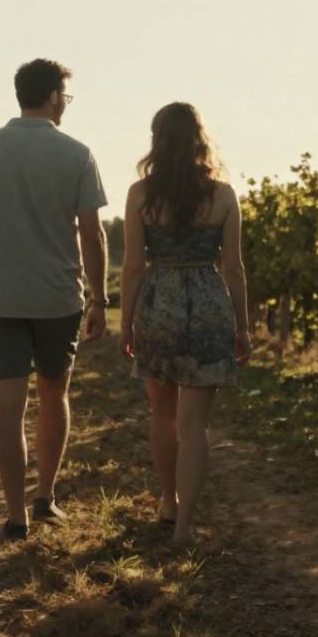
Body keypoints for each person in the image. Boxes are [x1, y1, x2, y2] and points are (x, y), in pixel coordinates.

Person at [0, 58, 109, 542]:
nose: (66, 102)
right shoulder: (78, 154)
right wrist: (101, 298)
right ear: (52, 97)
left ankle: (16, 515)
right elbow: (93, 234)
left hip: (0, 297)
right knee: (53, 396)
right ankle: (46, 497)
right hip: (59, 298)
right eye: (66, 94)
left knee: (9, 406)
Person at [119, 102, 250, 545]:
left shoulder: (141, 195)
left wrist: (127, 322)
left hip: (160, 303)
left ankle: (168, 499)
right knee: (195, 425)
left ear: (158, 140)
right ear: (200, 139)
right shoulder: (224, 195)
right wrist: (244, 327)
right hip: (209, 304)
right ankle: (185, 525)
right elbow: (234, 268)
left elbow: (133, 267)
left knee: (161, 412)